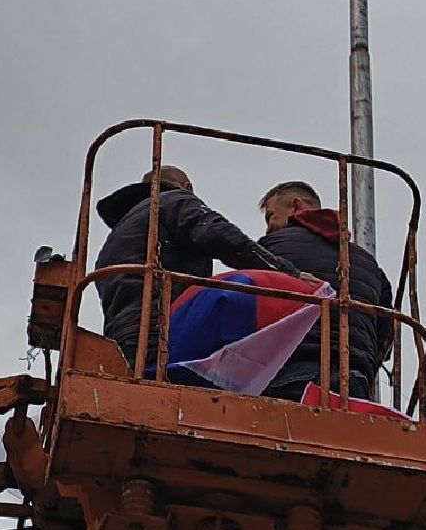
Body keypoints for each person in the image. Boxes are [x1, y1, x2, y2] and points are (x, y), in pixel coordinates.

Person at [95, 166, 301, 371]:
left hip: (121, 336)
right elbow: (222, 237)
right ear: (187, 187)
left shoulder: (122, 233)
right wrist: (288, 274)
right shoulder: (174, 200)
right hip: (160, 332)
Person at [257, 180, 394, 402]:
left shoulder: (271, 249)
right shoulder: (370, 264)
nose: (268, 226)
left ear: (296, 206)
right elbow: (386, 335)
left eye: (271, 216)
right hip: (354, 380)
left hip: (288, 371)